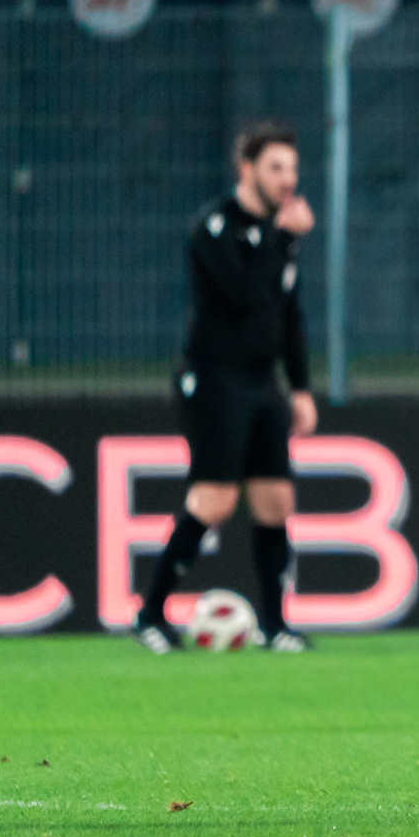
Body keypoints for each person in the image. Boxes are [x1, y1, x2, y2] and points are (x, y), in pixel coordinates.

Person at [133, 123, 319, 654]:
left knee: (275, 500)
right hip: (214, 377)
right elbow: (242, 293)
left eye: (293, 168)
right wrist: (284, 239)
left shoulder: (279, 237)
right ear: (247, 169)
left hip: (263, 381)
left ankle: (275, 625)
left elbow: (289, 314)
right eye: (276, 168)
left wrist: (300, 387)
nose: (288, 179)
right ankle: (150, 615)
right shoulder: (215, 226)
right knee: (214, 500)